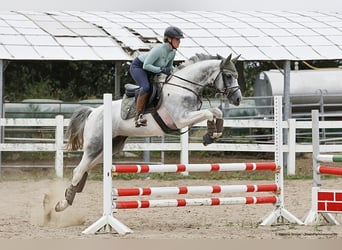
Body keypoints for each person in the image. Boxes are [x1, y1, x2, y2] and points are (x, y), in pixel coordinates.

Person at [129, 26, 184, 127]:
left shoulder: (173, 52)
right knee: (146, 87)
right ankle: (138, 117)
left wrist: (176, 72)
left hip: (152, 70)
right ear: (169, 39)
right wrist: (161, 70)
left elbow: (169, 67)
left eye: (179, 39)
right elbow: (146, 65)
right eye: (177, 39)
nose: (179, 42)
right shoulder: (159, 49)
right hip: (139, 67)